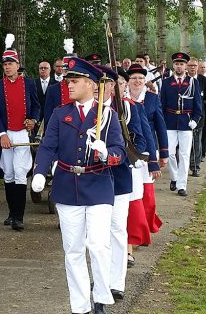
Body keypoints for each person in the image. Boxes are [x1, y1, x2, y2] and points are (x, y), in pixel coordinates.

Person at [31, 57, 125, 314]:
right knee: (72, 250)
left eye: (74, 81)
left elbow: (120, 152)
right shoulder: (61, 114)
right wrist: (39, 172)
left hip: (98, 185)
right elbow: (48, 146)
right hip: (67, 186)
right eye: (68, 81)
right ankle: (80, 306)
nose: (69, 85)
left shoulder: (107, 116)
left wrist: (107, 153)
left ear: (90, 84)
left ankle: (101, 298)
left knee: (97, 245)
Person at [96, 65, 149, 302]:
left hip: (118, 175)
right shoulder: (87, 110)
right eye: (103, 83)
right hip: (93, 177)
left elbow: (138, 135)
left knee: (117, 229)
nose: (107, 87)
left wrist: (134, 153)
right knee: (98, 233)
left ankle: (116, 282)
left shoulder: (128, 108)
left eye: (112, 83)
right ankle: (100, 278)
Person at [0, 34, 40, 231]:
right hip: (6, 133)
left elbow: (36, 106)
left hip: (22, 134)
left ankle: (19, 216)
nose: (7, 67)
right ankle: (12, 213)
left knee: (20, 173)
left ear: (18, 65)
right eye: (5, 64)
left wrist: (33, 120)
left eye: (11, 63)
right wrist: (1, 134)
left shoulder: (29, 83)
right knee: (8, 173)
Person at [126, 63, 165, 264]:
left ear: (145, 81)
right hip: (126, 152)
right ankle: (135, 232)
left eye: (140, 78)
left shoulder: (152, 99)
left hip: (147, 149)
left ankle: (146, 227)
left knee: (146, 195)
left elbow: (159, 126)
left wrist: (158, 158)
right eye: (133, 78)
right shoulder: (121, 99)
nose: (137, 81)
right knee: (133, 195)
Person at [159, 52, 202, 197]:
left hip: (186, 122)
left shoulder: (193, 82)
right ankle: (174, 177)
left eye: (182, 64)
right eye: (177, 64)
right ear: (173, 65)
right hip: (170, 122)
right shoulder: (166, 82)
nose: (179, 66)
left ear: (185, 66)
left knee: (184, 155)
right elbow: (162, 104)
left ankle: (182, 185)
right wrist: (162, 122)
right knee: (169, 153)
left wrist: (195, 120)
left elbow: (198, 104)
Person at [187, 58, 206, 177]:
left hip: (199, 117)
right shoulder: (183, 80)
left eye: (194, 66)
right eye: (190, 65)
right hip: (184, 117)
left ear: (198, 67)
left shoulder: (204, 81)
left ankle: (195, 166)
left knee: (197, 142)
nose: (192, 68)